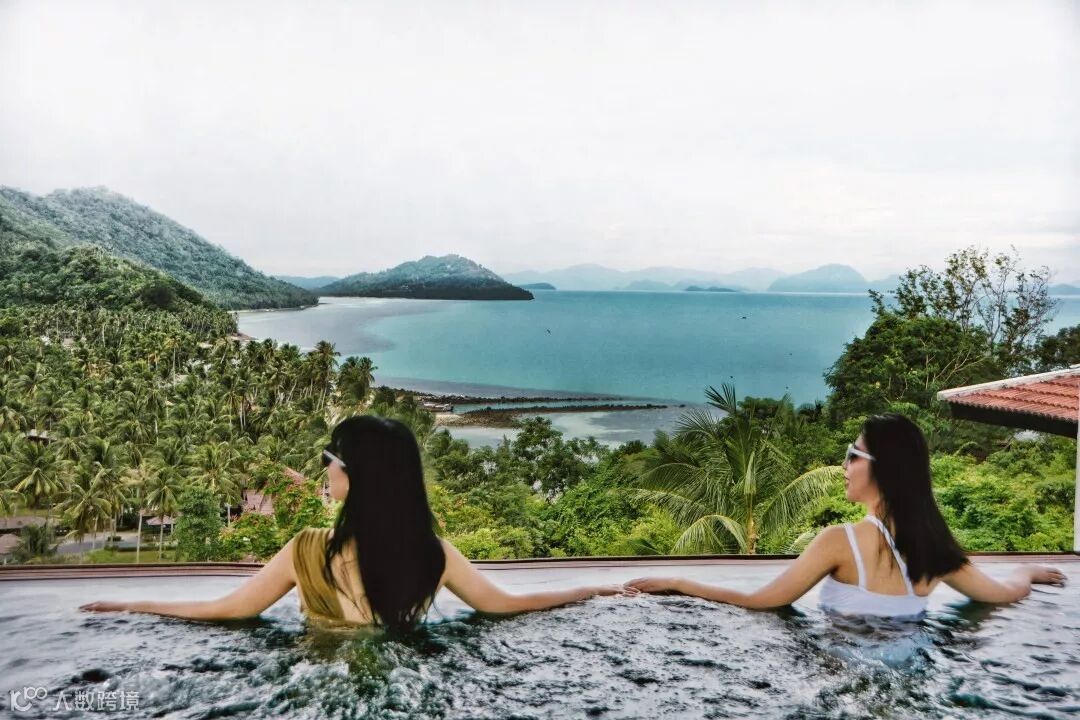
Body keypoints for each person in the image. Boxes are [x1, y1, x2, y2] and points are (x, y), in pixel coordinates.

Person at [82, 416, 625, 630]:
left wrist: (134, 604)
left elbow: (227, 610)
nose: (325, 468)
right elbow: (505, 604)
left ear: (354, 474)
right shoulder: (432, 552)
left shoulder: (306, 549)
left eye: (330, 459)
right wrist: (591, 588)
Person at [627, 413, 1065, 617]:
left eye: (853, 454)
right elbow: (1004, 594)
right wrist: (1027, 570)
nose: (843, 464)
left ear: (882, 469)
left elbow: (762, 601)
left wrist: (679, 581)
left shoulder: (841, 541)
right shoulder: (935, 548)